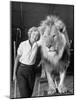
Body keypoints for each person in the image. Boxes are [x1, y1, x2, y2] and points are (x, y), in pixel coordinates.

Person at [13, 27, 42, 98]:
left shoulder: (37, 44)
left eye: (37, 36)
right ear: (30, 34)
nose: (35, 37)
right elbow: (17, 59)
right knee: (24, 95)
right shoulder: (23, 44)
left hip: (32, 71)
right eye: (34, 35)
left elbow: (44, 38)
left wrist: (40, 30)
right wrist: (14, 74)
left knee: (29, 94)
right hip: (22, 71)